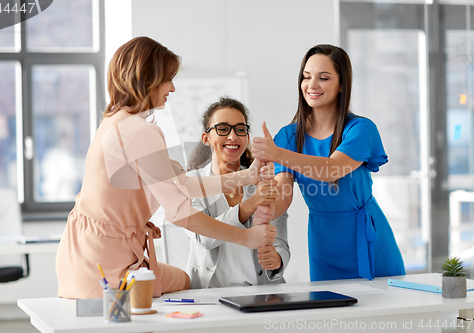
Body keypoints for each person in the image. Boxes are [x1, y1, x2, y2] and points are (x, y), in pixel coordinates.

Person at [55, 37, 277, 299]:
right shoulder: (142, 132)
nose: (172, 87)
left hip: (81, 252)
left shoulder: (114, 119)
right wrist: (246, 238)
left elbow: (182, 185)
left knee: (184, 280)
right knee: (181, 284)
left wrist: (246, 176)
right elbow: (180, 212)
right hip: (107, 263)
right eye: (167, 78)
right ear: (146, 78)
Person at [252, 44, 405, 282]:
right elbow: (284, 193)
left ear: (342, 84)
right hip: (324, 243)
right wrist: (265, 210)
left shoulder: (360, 129)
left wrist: (277, 154)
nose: (312, 85)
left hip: (366, 239)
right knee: (331, 315)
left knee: (381, 313)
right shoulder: (288, 137)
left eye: (323, 78)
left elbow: (331, 170)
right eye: (306, 77)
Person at [184, 97, 290, 288]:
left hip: (261, 296)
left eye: (240, 129)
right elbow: (204, 238)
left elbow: (280, 240)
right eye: (223, 129)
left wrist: (277, 260)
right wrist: (251, 204)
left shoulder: (264, 181)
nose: (233, 137)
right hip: (209, 298)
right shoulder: (191, 183)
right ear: (206, 138)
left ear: (247, 138)